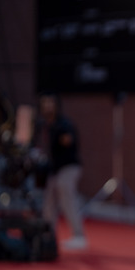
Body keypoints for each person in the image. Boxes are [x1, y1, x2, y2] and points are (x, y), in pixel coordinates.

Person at [33, 92, 87, 250]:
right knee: (49, 201)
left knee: (66, 198)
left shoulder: (63, 125)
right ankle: (48, 235)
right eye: (45, 103)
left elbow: (68, 141)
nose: (48, 106)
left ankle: (79, 235)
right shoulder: (45, 125)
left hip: (68, 167)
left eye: (51, 103)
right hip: (54, 169)